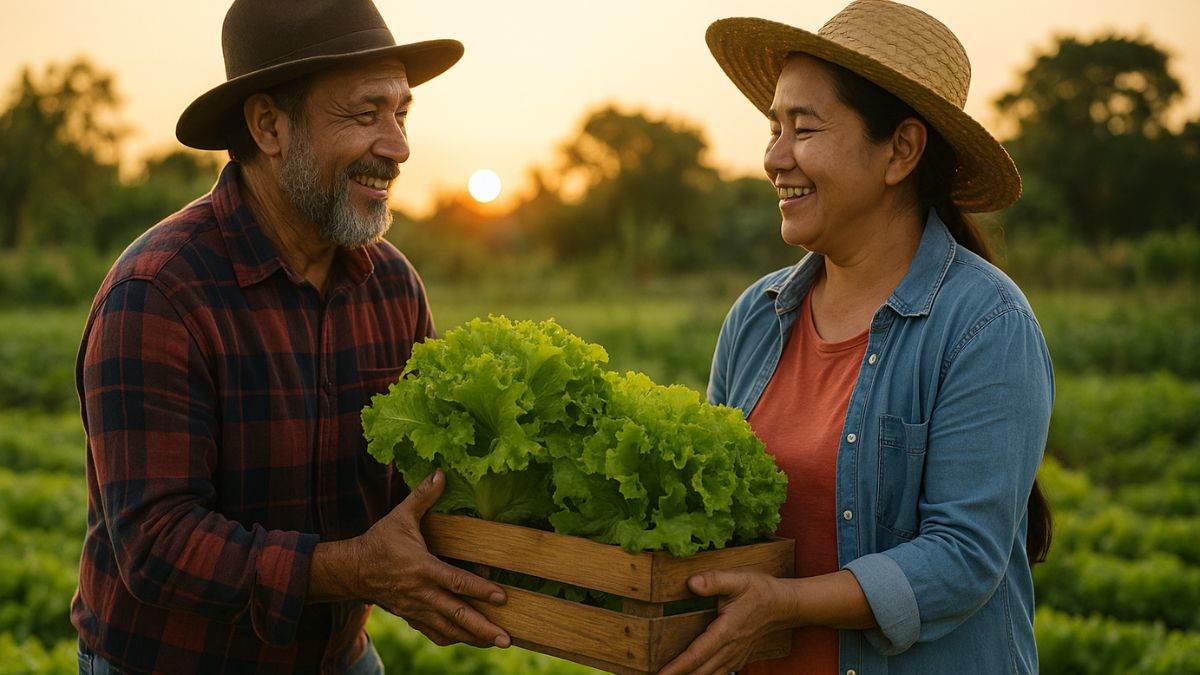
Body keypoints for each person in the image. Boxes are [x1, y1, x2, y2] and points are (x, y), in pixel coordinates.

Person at [72, 1, 510, 672]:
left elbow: (420, 484)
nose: (397, 145)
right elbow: (156, 548)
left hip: (334, 656)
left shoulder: (393, 288)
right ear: (270, 126)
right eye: (366, 115)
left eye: (401, 112)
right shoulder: (159, 293)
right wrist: (353, 568)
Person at [660, 2, 1054, 673]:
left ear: (900, 150)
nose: (774, 158)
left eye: (803, 129)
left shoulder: (985, 323)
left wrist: (787, 603)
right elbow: (712, 513)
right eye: (773, 129)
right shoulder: (757, 316)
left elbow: (961, 559)